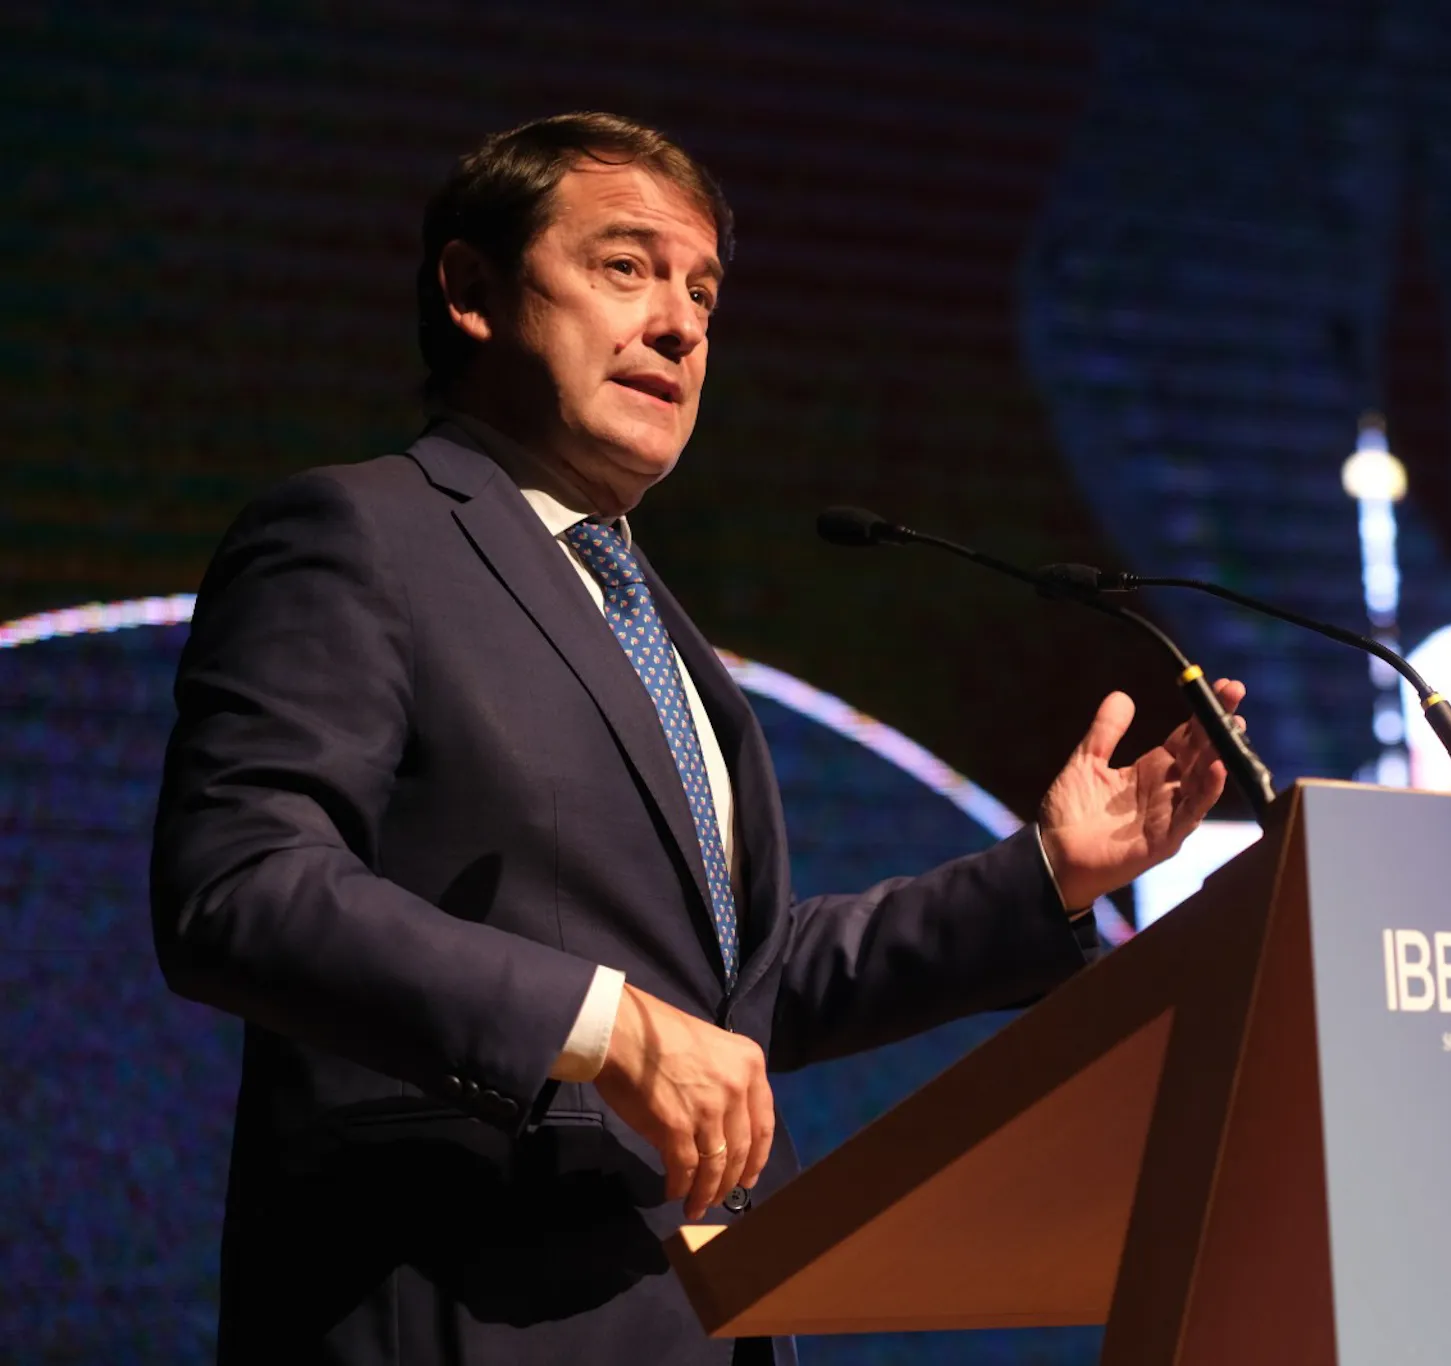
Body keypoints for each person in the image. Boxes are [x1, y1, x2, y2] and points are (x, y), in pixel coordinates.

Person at [150, 111, 1246, 1365]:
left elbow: (736, 994)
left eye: (704, 293)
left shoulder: (645, 618)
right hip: (463, 1315)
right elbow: (240, 889)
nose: (679, 324)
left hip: (694, 1317)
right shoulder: (359, 535)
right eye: (626, 267)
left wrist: (1044, 877)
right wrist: (606, 1025)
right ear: (470, 291)